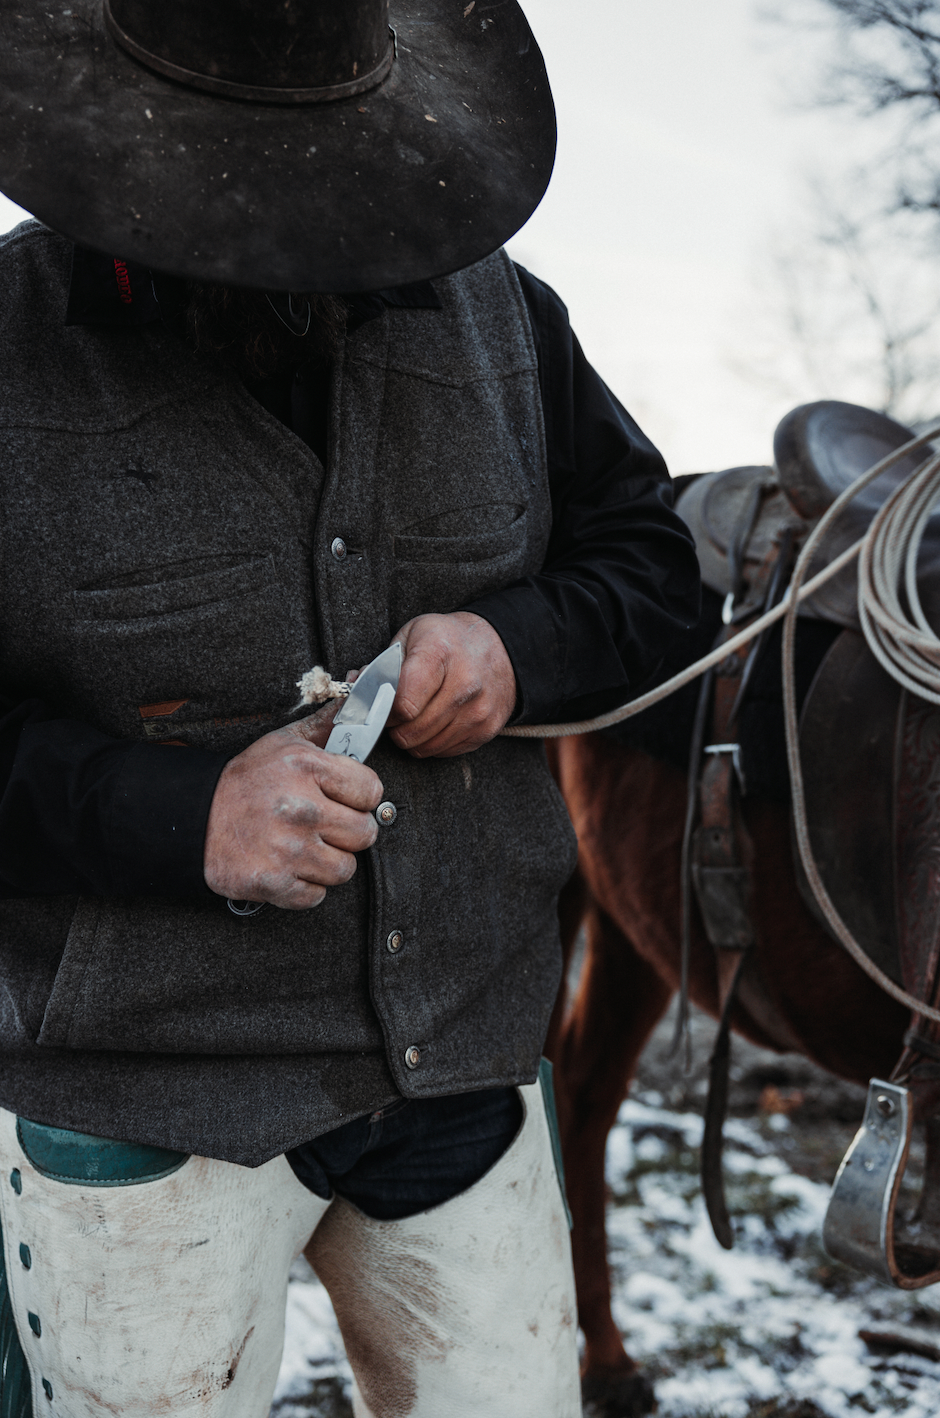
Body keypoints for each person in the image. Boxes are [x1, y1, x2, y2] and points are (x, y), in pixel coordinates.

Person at [0, 0, 700, 1413]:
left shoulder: (505, 313)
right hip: (141, 1092)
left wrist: (519, 645)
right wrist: (181, 816)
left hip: (464, 1076)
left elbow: (656, 570)